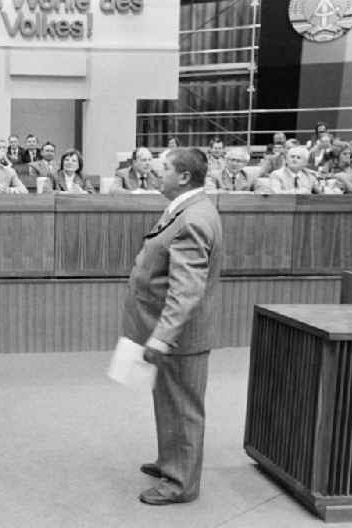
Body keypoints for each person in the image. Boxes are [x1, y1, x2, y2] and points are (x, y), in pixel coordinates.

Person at [122, 147, 223, 505]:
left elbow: (186, 289)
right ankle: (171, 461)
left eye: (163, 167)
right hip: (168, 329)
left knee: (182, 408)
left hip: (181, 336)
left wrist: (162, 338)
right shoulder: (184, 208)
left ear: (183, 177)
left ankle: (180, 483)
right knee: (168, 401)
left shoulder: (193, 219)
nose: (155, 171)